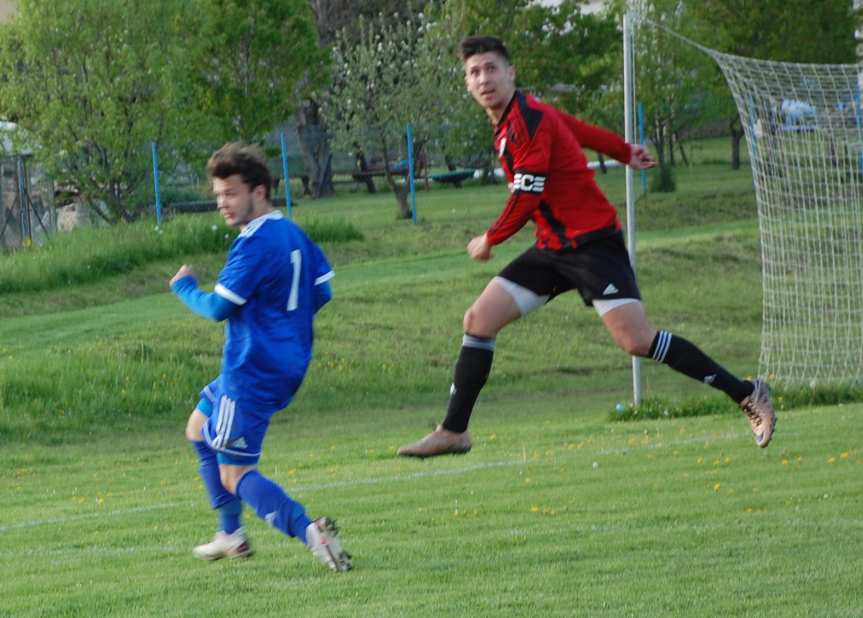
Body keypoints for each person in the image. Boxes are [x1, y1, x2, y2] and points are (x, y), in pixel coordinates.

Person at [398, 36, 776, 458]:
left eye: (490, 68)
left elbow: (529, 192)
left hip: (593, 245)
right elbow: (574, 129)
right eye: (474, 72)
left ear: (510, 73)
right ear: (466, 83)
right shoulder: (520, 116)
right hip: (553, 247)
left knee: (636, 340)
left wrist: (492, 237)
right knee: (479, 319)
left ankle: (746, 392)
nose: (483, 78)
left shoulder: (526, 120)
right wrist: (622, 150)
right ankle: (454, 431)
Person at [170, 143, 351, 572]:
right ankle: (230, 533)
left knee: (236, 474)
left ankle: (311, 531)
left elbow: (218, 308)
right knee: (198, 428)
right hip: (284, 364)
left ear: (260, 191)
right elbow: (322, 291)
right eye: (218, 196)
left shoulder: (253, 244)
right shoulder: (293, 233)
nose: (223, 204)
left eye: (231, 193)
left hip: (250, 372)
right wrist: (284, 326)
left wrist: (185, 288)